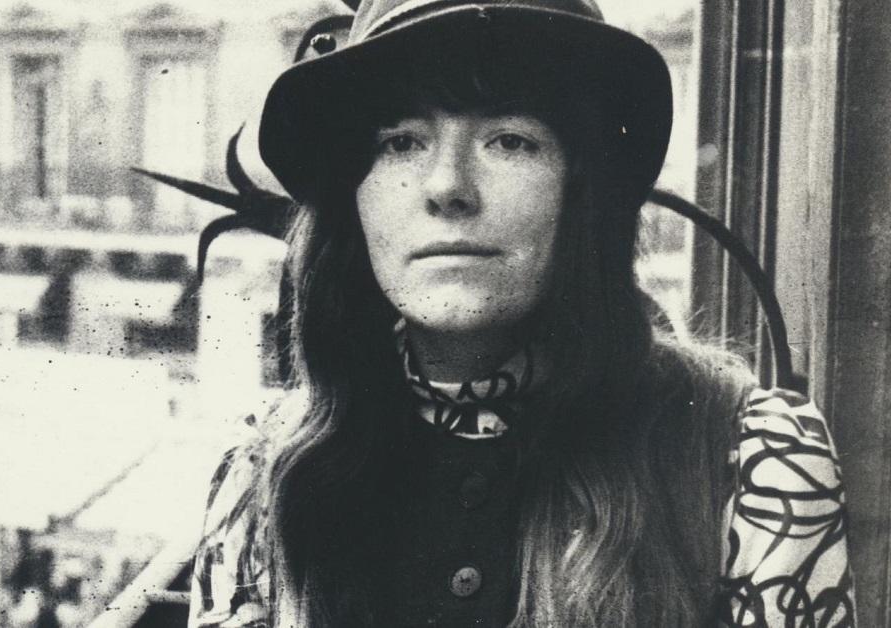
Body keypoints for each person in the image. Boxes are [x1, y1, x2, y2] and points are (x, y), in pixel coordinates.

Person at [188, 0, 855, 626]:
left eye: (509, 140)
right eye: (400, 143)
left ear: (580, 188)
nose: (447, 186)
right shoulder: (267, 475)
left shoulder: (750, 458)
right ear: (353, 200)